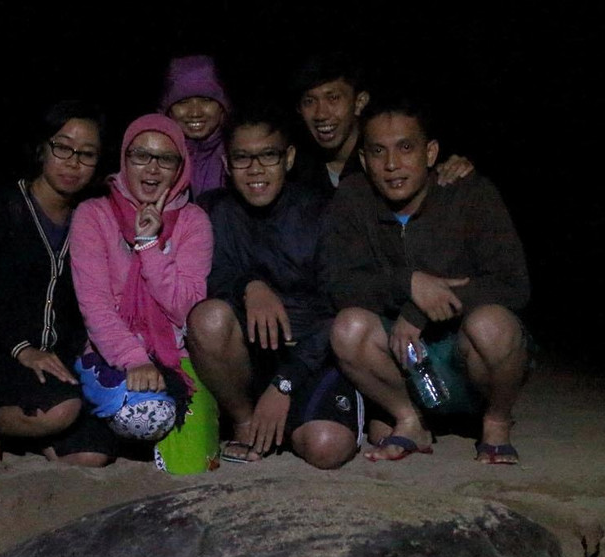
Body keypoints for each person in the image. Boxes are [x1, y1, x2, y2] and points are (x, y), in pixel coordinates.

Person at [320, 95, 530, 463]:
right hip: (402, 360)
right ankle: (409, 420)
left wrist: (420, 311)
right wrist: (408, 283)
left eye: (405, 148)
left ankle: (496, 422)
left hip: (464, 352)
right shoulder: (352, 198)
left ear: (430, 152)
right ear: (365, 160)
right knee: (348, 328)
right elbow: (339, 283)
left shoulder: (471, 193)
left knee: (494, 326)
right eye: (378, 152)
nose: (391, 165)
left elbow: (513, 283)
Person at [187, 105, 362, 469]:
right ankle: (246, 422)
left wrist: (286, 383)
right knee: (207, 318)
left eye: (268, 155)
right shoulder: (211, 211)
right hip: (249, 361)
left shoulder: (322, 213)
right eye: (242, 158)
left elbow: (341, 310)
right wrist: (250, 286)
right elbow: (210, 277)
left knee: (325, 449)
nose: (255, 170)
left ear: (289, 158)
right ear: (226, 163)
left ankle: (296, 417)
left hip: (314, 355)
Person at [0, 100, 116, 467]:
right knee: (60, 410)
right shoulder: (0, 206)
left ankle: (26, 436)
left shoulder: (91, 219)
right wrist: (22, 348)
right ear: (42, 147)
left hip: (56, 363)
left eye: (87, 154)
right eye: (63, 147)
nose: (73, 162)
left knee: (93, 455)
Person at [70, 113, 213, 446]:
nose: (152, 168)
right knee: (148, 416)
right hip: (114, 354)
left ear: (180, 168)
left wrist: (149, 246)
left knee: (190, 455)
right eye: (141, 155)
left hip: (180, 358)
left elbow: (187, 309)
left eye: (165, 159)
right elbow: (95, 306)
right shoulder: (93, 214)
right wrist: (134, 360)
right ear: (124, 159)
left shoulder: (194, 221)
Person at [292, 52, 474, 197]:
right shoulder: (293, 170)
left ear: (360, 102)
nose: (321, 114)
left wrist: (457, 169)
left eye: (333, 98)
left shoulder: (393, 157)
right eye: (309, 101)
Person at [159, 54, 231, 198]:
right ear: (169, 110)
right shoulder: (155, 158)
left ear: (223, 107)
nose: (195, 113)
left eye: (206, 100)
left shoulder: (238, 154)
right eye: (182, 102)